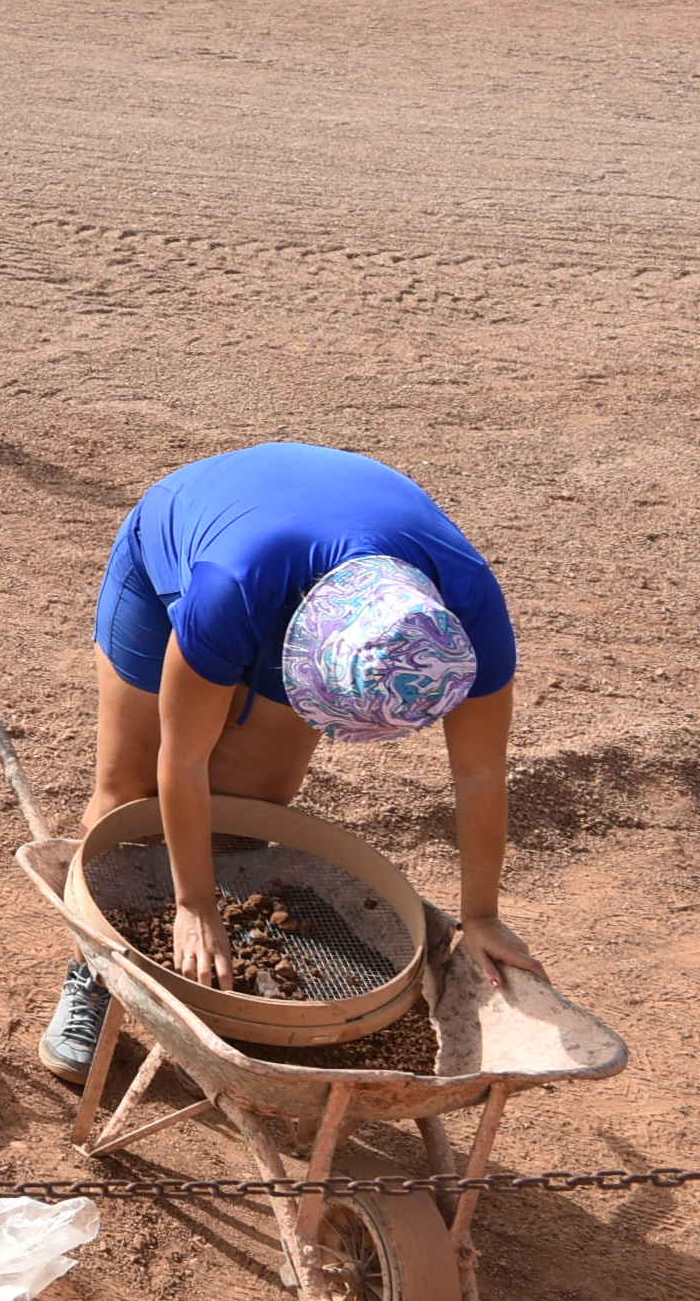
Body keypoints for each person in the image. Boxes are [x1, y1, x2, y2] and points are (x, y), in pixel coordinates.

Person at [39, 443, 543, 1084]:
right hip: (196, 534)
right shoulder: (231, 587)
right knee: (129, 790)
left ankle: (226, 969)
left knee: (251, 805)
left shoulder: (466, 612)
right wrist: (193, 903)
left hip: (325, 559)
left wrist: (481, 916)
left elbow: (480, 775)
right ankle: (96, 975)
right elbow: (183, 756)